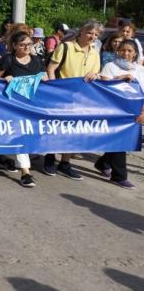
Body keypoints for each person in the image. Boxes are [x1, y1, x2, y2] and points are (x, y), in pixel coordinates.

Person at [45, 19, 102, 179]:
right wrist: (54, 88)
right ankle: (49, 158)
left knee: (73, 131)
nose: (92, 36)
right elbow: (51, 68)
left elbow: (96, 74)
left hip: (81, 99)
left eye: (96, 34)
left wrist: (95, 75)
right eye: (90, 32)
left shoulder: (95, 54)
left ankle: (65, 163)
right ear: (81, 32)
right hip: (61, 95)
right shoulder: (66, 47)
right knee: (56, 128)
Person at [0, 31, 48, 187]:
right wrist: (4, 79)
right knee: (21, 135)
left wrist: (44, 78)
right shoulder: (7, 59)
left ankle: (4, 157)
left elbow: (46, 80)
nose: (26, 47)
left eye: (29, 44)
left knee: (26, 135)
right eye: (22, 45)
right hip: (12, 106)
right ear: (14, 46)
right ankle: (26, 173)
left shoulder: (37, 61)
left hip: (31, 105)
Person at [97, 38, 144, 189]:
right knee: (121, 141)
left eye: (129, 51)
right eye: (123, 50)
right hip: (114, 110)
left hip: (134, 111)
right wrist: (120, 78)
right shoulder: (110, 66)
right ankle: (119, 176)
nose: (126, 53)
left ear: (135, 53)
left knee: (122, 140)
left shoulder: (140, 70)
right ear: (118, 51)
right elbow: (104, 87)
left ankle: (103, 162)